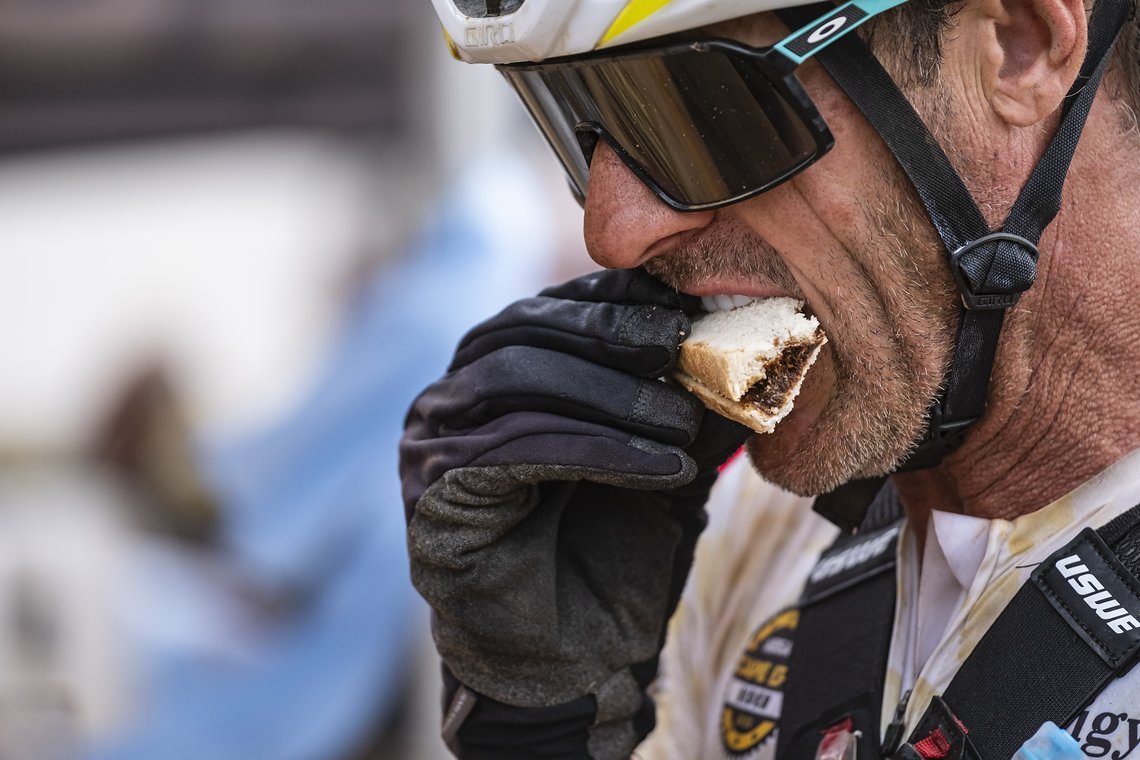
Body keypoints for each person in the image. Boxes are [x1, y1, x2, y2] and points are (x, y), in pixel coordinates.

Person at [401, 0, 1140, 758]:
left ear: (1020, 44)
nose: (613, 233)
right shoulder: (750, 532)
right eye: (574, 119)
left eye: (698, 107)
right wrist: (545, 735)